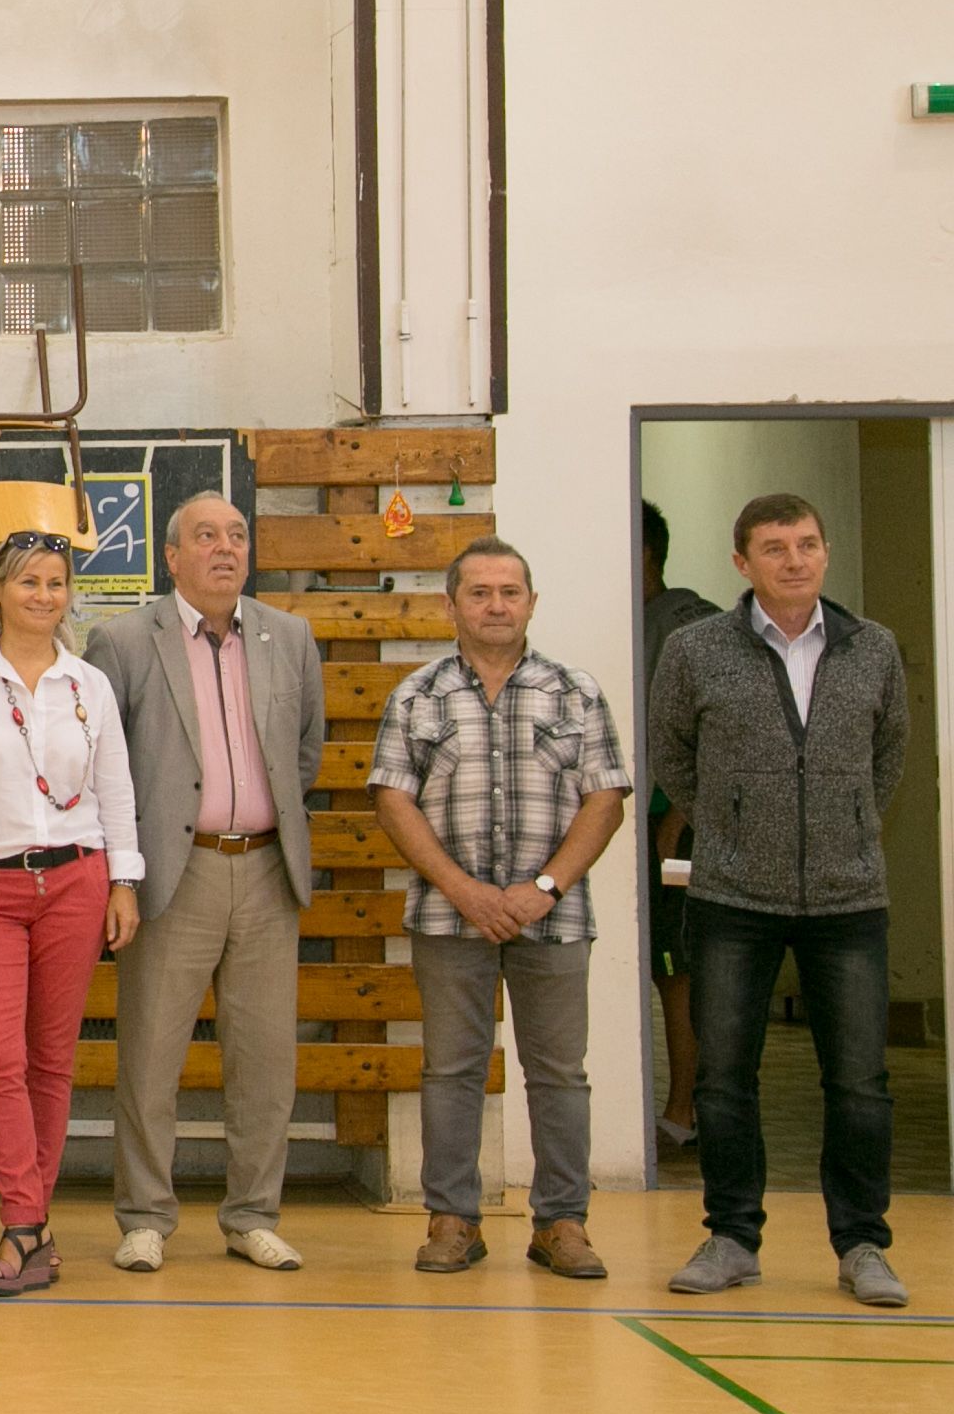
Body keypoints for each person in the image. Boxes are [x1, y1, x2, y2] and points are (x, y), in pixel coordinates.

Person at [653, 492, 913, 1309]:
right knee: (725, 1078)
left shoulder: (874, 648)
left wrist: (845, 824)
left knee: (860, 1082)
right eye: (774, 548)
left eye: (806, 544)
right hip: (733, 896)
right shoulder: (695, 650)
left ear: (825, 552)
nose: (794, 560)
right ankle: (732, 1238)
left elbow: (888, 756)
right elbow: (671, 753)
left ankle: (863, 1244)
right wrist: (733, 828)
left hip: (848, 898)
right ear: (743, 562)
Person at [369, 537, 629, 1282]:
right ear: (450, 605)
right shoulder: (416, 696)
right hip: (450, 917)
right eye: (479, 592)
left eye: (510, 592)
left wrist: (541, 889)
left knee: (559, 1074)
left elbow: (605, 800)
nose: (496, 605)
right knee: (451, 1070)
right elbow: (393, 800)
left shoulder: (575, 692)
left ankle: (563, 1224)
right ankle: (452, 1220)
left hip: (555, 917)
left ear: (532, 603)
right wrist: (464, 889)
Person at [0, 531, 143, 1298]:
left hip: (78, 881)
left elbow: (115, 789)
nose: (44, 595)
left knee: (52, 1059)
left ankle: (27, 1228)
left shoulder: (89, 685)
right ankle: (26, 1220)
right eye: (28, 582)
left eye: (55, 583)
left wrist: (123, 881)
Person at [102, 490, 325, 1274]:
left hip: (267, 870)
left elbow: (305, 752)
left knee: (265, 1062)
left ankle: (252, 1215)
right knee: (150, 1057)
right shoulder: (124, 641)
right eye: (205, 536)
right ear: (171, 557)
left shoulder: (290, 637)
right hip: (174, 869)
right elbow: (106, 765)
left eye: (236, 535)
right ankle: (144, 1218)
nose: (225, 548)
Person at [638, 501, 719, 1150]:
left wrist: (678, 823)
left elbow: (717, 733)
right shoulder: (642, 621)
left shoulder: (688, 627)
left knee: (680, 972)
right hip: (649, 824)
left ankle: (685, 1112)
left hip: (678, 830)